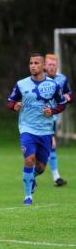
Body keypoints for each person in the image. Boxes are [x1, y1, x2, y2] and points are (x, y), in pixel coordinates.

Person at [7, 53, 66, 205]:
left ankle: (33, 177)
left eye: (36, 63)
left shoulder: (53, 85)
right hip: (27, 129)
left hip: (45, 131)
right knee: (29, 160)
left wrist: (52, 112)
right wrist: (15, 106)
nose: (33, 65)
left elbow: (62, 104)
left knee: (40, 167)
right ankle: (28, 197)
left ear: (43, 66)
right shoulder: (21, 84)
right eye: (31, 63)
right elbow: (10, 102)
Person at [44, 54, 73, 186]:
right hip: (41, 117)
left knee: (49, 146)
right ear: (44, 66)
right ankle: (56, 177)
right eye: (49, 64)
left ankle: (54, 177)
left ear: (57, 66)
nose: (51, 67)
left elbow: (69, 94)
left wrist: (68, 98)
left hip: (54, 117)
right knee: (50, 145)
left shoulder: (62, 79)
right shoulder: (40, 79)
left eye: (53, 65)